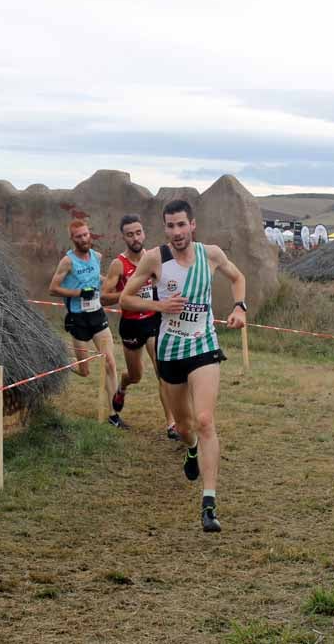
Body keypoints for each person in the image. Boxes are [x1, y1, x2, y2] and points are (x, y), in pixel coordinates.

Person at [120, 199, 247, 533]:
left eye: (181, 225)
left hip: (204, 345)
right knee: (185, 427)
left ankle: (209, 504)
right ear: (165, 228)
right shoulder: (155, 259)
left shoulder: (212, 254)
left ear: (192, 225)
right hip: (171, 351)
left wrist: (240, 307)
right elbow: (125, 299)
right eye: (170, 226)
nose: (176, 232)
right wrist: (159, 304)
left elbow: (238, 278)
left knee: (205, 420)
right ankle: (190, 449)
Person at [101, 214, 178, 439]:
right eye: (130, 234)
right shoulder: (119, 264)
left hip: (154, 320)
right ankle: (122, 386)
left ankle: (171, 425)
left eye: (138, 232)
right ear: (123, 237)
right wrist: (126, 294)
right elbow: (104, 297)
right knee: (136, 375)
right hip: (132, 325)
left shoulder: (153, 258)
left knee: (162, 372)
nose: (135, 238)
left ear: (143, 233)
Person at [48, 218, 125, 429]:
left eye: (86, 234)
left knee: (109, 362)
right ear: (72, 239)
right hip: (77, 318)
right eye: (79, 236)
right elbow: (53, 288)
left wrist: (107, 282)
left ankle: (113, 414)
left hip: (97, 314)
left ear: (90, 235)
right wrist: (79, 292)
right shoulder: (68, 261)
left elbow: (94, 275)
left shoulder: (97, 256)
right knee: (85, 372)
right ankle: (66, 362)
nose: (84, 239)